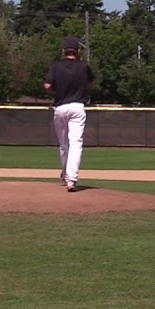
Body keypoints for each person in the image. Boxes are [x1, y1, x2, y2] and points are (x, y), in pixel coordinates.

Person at [44, 36, 95, 192]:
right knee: (76, 143)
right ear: (78, 51)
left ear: (64, 51)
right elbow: (91, 82)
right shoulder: (83, 66)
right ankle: (71, 179)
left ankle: (66, 174)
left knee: (64, 144)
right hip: (77, 106)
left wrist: (58, 90)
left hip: (60, 107)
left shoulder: (56, 66)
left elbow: (47, 85)